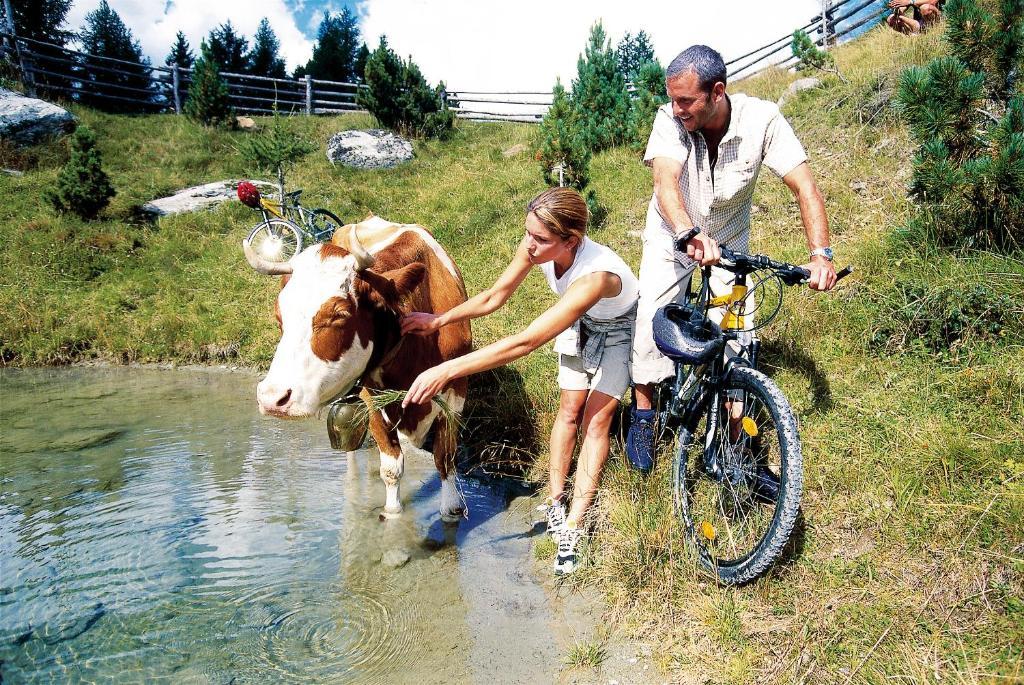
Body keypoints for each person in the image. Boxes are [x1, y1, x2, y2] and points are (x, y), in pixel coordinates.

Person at [400, 187, 638, 575]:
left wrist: (446, 370)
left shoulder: (596, 276)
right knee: (569, 409)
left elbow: (526, 341)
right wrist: (439, 321)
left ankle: (575, 525)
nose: (529, 245)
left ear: (571, 240)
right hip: (579, 321)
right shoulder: (538, 246)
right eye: (527, 232)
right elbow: (496, 296)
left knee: (597, 420)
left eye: (540, 239)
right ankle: (557, 498)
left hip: (618, 329)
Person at [625, 44, 838, 474]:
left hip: (728, 240)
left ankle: (733, 445)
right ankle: (644, 414)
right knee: (651, 317)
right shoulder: (669, 120)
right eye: (673, 98)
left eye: (686, 100)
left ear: (717, 92)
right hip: (673, 232)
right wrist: (688, 233)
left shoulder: (762, 120)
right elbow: (666, 184)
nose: (676, 107)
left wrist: (821, 255)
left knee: (739, 340)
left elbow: (805, 188)